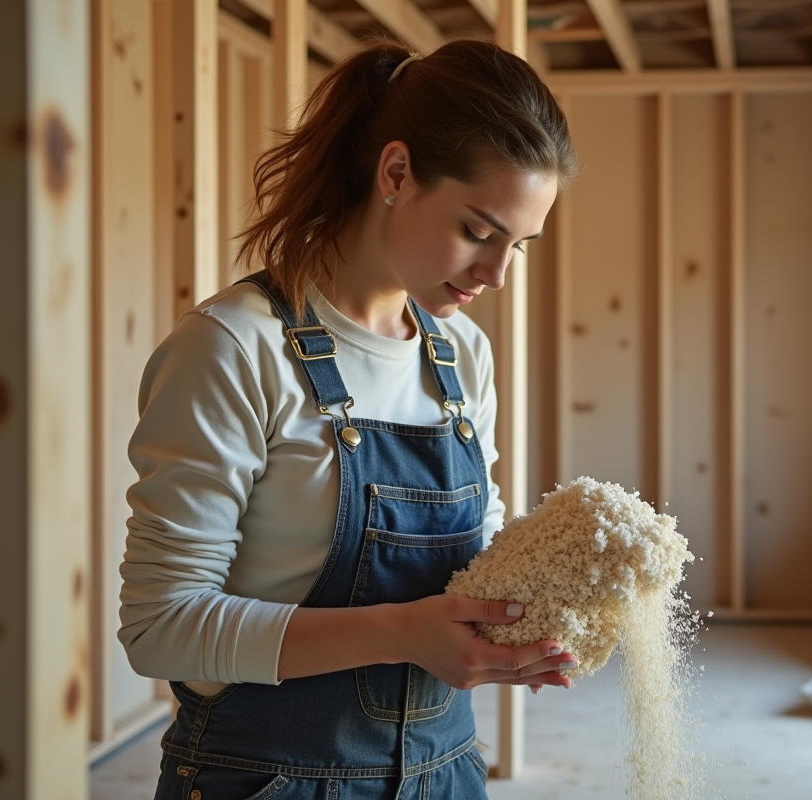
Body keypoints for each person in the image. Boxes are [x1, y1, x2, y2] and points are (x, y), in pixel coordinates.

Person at [118, 38, 579, 800]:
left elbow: (477, 554)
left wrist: (540, 596)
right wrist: (402, 632)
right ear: (396, 173)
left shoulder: (462, 353)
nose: (497, 275)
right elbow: (160, 625)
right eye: (478, 230)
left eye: (518, 247)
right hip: (267, 779)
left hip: (448, 773)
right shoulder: (233, 348)